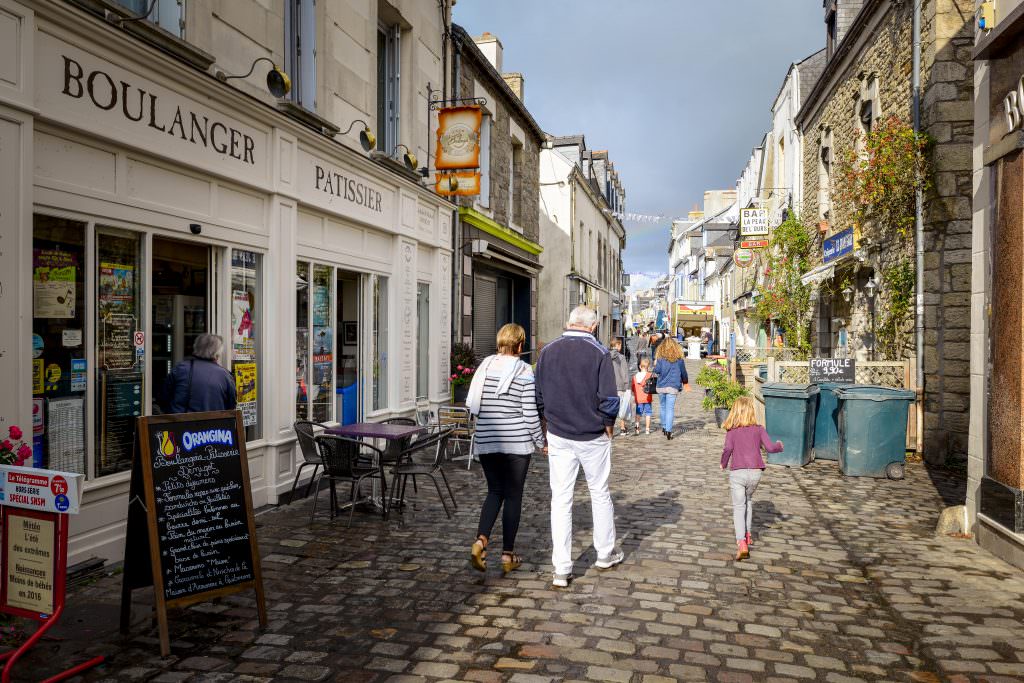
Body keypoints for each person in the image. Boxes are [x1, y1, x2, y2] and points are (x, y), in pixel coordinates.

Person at [535, 306, 624, 588]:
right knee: (599, 492)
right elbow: (609, 397)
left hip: (559, 433)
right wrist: (609, 422)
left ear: (568, 322)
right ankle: (604, 553)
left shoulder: (548, 351)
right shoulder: (599, 354)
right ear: (594, 326)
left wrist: (545, 426)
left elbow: (538, 395)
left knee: (560, 499)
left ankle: (561, 568)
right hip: (592, 434)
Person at [465, 323, 544, 575]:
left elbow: (474, 405)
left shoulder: (484, 367)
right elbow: (529, 413)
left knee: (494, 492)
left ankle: (481, 541)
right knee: (513, 495)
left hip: (487, 441)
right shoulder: (523, 371)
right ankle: (507, 555)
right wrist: (541, 441)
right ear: (520, 345)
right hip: (516, 443)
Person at [720, 396, 783, 560]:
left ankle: (741, 543)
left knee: (739, 507)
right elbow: (770, 447)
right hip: (755, 473)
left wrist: (723, 463)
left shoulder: (732, 431)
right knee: (748, 501)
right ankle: (748, 534)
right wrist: (779, 446)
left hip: (738, 472)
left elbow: (727, 449)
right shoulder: (759, 429)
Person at [159, 334, 236, 413]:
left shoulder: (180, 369)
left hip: (180, 423)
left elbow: (163, 399)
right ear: (217, 354)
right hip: (215, 423)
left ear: (196, 348)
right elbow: (231, 406)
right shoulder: (225, 375)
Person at [653, 337, 689, 439]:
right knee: (670, 409)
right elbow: (684, 373)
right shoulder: (679, 360)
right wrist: (685, 382)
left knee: (663, 407)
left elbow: (657, 371)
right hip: (673, 386)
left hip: (661, 386)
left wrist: (655, 364)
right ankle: (668, 431)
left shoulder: (660, 359)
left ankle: (664, 427)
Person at [608, 338, 632, 437]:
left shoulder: (605, 356)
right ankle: (622, 428)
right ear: (617, 345)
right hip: (620, 386)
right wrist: (627, 386)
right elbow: (624, 373)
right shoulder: (621, 357)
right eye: (620, 345)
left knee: (611, 409)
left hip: (609, 386)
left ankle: (610, 431)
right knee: (622, 407)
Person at [631, 357, 654, 435]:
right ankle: (647, 429)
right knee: (648, 413)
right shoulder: (649, 375)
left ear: (640, 366)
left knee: (638, 414)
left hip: (639, 398)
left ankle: (637, 429)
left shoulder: (635, 377)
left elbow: (633, 388)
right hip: (647, 398)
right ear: (648, 367)